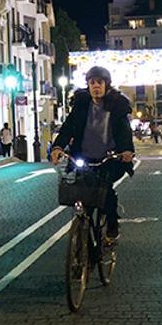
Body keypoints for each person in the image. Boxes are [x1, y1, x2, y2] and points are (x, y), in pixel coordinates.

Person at [49, 65, 135, 246]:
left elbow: (124, 131)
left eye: (100, 82)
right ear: (87, 85)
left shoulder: (117, 105)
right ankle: (83, 241)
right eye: (92, 82)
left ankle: (112, 226)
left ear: (107, 84)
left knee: (106, 193)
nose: (96, 86)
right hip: (84, 158)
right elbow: (68, 128)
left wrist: (126, 151)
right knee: (83, 196)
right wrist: (57, 147)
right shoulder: (81, 104)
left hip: (110, 159)